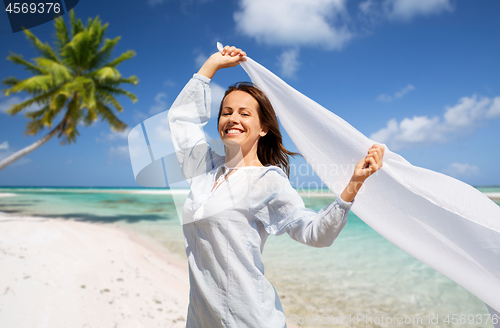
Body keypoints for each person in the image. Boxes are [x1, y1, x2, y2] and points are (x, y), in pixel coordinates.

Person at [167, 45, 385, 328]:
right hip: (200, 319)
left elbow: (315, 233)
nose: (233, 119)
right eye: (226, 112)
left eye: (245, 114)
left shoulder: (267, 179)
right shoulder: (203, 171)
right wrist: (210, 66)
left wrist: (353, 184)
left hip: (250, 321)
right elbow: (181, 121)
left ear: (263, 128)